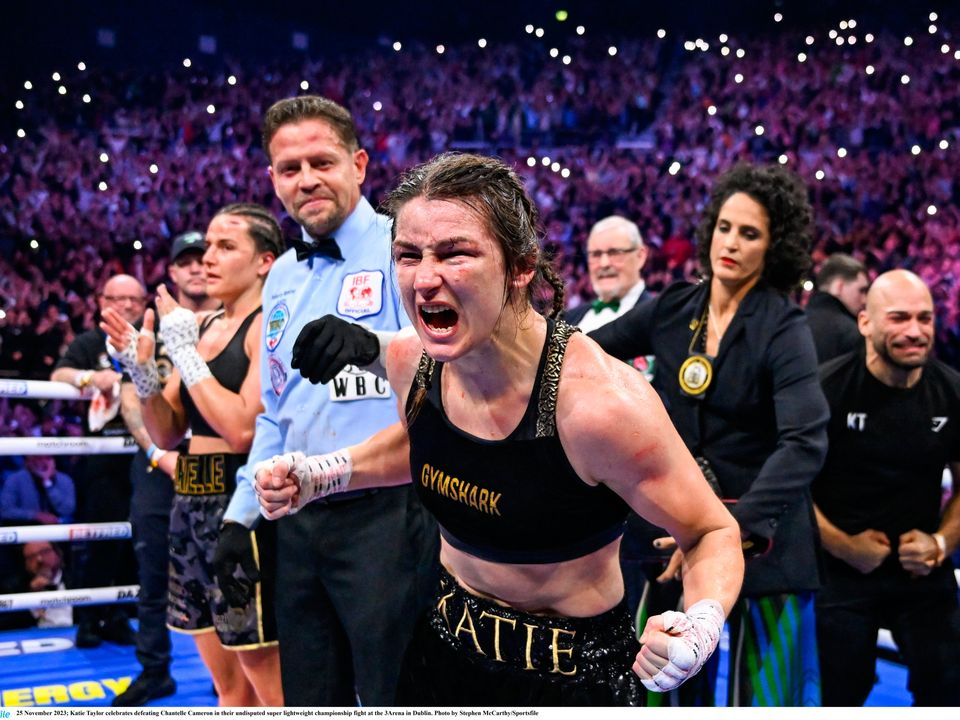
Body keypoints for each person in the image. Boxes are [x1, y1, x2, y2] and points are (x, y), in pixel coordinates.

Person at [256, 152, 744, 706]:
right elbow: (435, 448)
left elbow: (711, 532)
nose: (425, 278)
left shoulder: (598, 406)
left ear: (520, 266)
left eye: (455, 253)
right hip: (440, 646)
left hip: (572, 675)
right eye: (408, 255)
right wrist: (324, 473)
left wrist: (701, 624)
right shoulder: (411, 363)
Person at [215, 95, 438, 706]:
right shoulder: (282, 274)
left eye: (323, 161)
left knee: (396, 694)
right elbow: (274, 411)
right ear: (273, 181)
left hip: (390, 511)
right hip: (300, 523)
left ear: (359, 164)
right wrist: (241, 516)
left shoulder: (409, 247)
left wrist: (375, 344)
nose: (306, 179)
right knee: (312, 698)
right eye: (290, 168)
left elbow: (447, 368)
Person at [589, 163, 829, 706]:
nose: (732, 243)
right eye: (725, 227)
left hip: (766, 544)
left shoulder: (785, 326)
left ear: (775, 246)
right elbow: (585, 355)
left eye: (750, 234)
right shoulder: (675, 306)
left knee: (767, 703)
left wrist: (728, 531)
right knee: (655, 696)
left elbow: (805, 442)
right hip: (669, 539)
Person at [103, 204, 284, 706]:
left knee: (270, 685)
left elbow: (242, 427)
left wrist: (181, 353)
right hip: (189, 501)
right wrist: (142, 372)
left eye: (226, 247)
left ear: (265, 260)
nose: (208, 258)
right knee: (227, 686)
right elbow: (167, 430)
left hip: (240, 504)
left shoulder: (271, 324)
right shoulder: (202, 328)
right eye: (206, 247)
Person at [812, 269, 960, 706]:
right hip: (840, 569)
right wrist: (844, 546)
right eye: (898, 318)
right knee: (840, 693)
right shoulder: (826, 389)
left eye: (925, 318)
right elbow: (793, 489)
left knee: (949, 687)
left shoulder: (951, 392)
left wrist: (940, 543)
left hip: (921, 570)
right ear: (865, 323)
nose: (915, 332)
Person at [108, 230, 222, 707]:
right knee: (155, 576)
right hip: (160, 468)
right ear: (172, 272)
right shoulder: (153, 325)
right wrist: (160, 455)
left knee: (227, 578)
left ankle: (230, 678)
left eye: (203, 259)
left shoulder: (232, 321)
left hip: (221, 463)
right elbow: (132, 393)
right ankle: (154, 670)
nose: (196, 268)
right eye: (185, 262)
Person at [51, 274, 142, 650]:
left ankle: (118, 615)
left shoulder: (152, 341)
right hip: (103, 459)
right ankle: (89, 619)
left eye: (132, 299)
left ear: (143, 303)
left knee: (135, 541)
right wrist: (92, 376)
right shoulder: (90, 342)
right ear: (102, 301)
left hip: (147, 454)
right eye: (116, 298)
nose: (124, 305)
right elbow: (59, 374)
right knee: (98, 540)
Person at [563, 215, 651, 334]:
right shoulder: (567, 318)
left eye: (615, 253)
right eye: (595, 254)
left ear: (640, 256)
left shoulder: (663, 317)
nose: (604, 264)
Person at [805, 253, 869, 362]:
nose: (865, 300)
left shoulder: (794, 321)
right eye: (861, 291)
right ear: (838, 287)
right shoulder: (851, 334)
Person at [0, 455, 75, 524]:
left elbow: (67, 510)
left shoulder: (64, 480)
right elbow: (5, 511)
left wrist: (48, 484)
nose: (44, 462)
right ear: (28, 462)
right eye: (39, 458)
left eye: (48, 458)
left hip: (56, 530)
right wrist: (35, 515)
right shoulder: (15, 479)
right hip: (25, 529)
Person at [22, 541, 73, 628]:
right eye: (31, 557)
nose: (39, 559)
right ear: (26, 565)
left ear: (58, 555)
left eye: (44, 552)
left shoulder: (77, 580)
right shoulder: (18, 590)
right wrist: (33, 600)